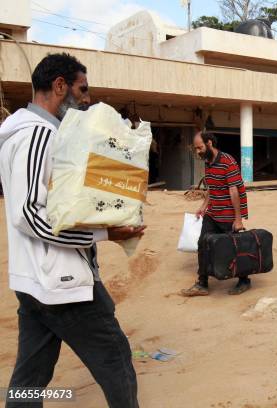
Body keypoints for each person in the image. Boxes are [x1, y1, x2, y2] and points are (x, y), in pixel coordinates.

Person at [0, 53, 144, 408]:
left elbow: (57, 204)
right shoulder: (38, 135)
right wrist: (105, 235)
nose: (87, 98)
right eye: (82, 89)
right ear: (59, 85)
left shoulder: (29, 133)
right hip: (61, 284)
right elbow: (30, 215)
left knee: (30, 378)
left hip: (35, 281)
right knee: (116, 361)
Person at [181, 131, 250, 297]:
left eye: (200, 147)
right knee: (203, 243)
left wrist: (238, 219)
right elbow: (211, 187)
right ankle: (202, 283)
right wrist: (204, 206)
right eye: (196, 149)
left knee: (234, 248)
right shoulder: (208, 162)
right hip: (213, 212)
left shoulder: (228, 161)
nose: (198, 152)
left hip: (228, 214)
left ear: (210, 143)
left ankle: (244, 280)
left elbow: (234, 190)